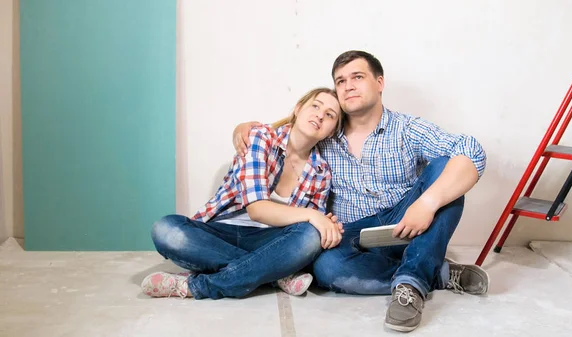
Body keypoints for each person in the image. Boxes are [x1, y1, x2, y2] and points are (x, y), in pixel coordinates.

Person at [232, 51, 489, 332]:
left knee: (448, 168)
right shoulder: (325, 133)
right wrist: (244, 128)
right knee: (326, 268)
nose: (348, 86)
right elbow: (288, 136)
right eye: (340, 81)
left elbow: (470, 151)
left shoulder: (407, 128)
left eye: (357, 77)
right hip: (353, 234)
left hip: (409, 221)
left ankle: (410, 285)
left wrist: (427, 203)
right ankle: (437, 272)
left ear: (379, 83)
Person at [141, 87, 346, 300]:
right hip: (221, 232)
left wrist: (324, 225)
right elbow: (257, 209)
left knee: (310, 236)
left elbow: (308, 227)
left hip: (271, 240)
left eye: (330, 115)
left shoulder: (321, 172)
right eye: (315, 106)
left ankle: (199, 286)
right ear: (298, 109)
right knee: (165, 230)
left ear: (331, 131)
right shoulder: (261, 138)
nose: (320, 115)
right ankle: (274, 274)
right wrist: (313, 216)